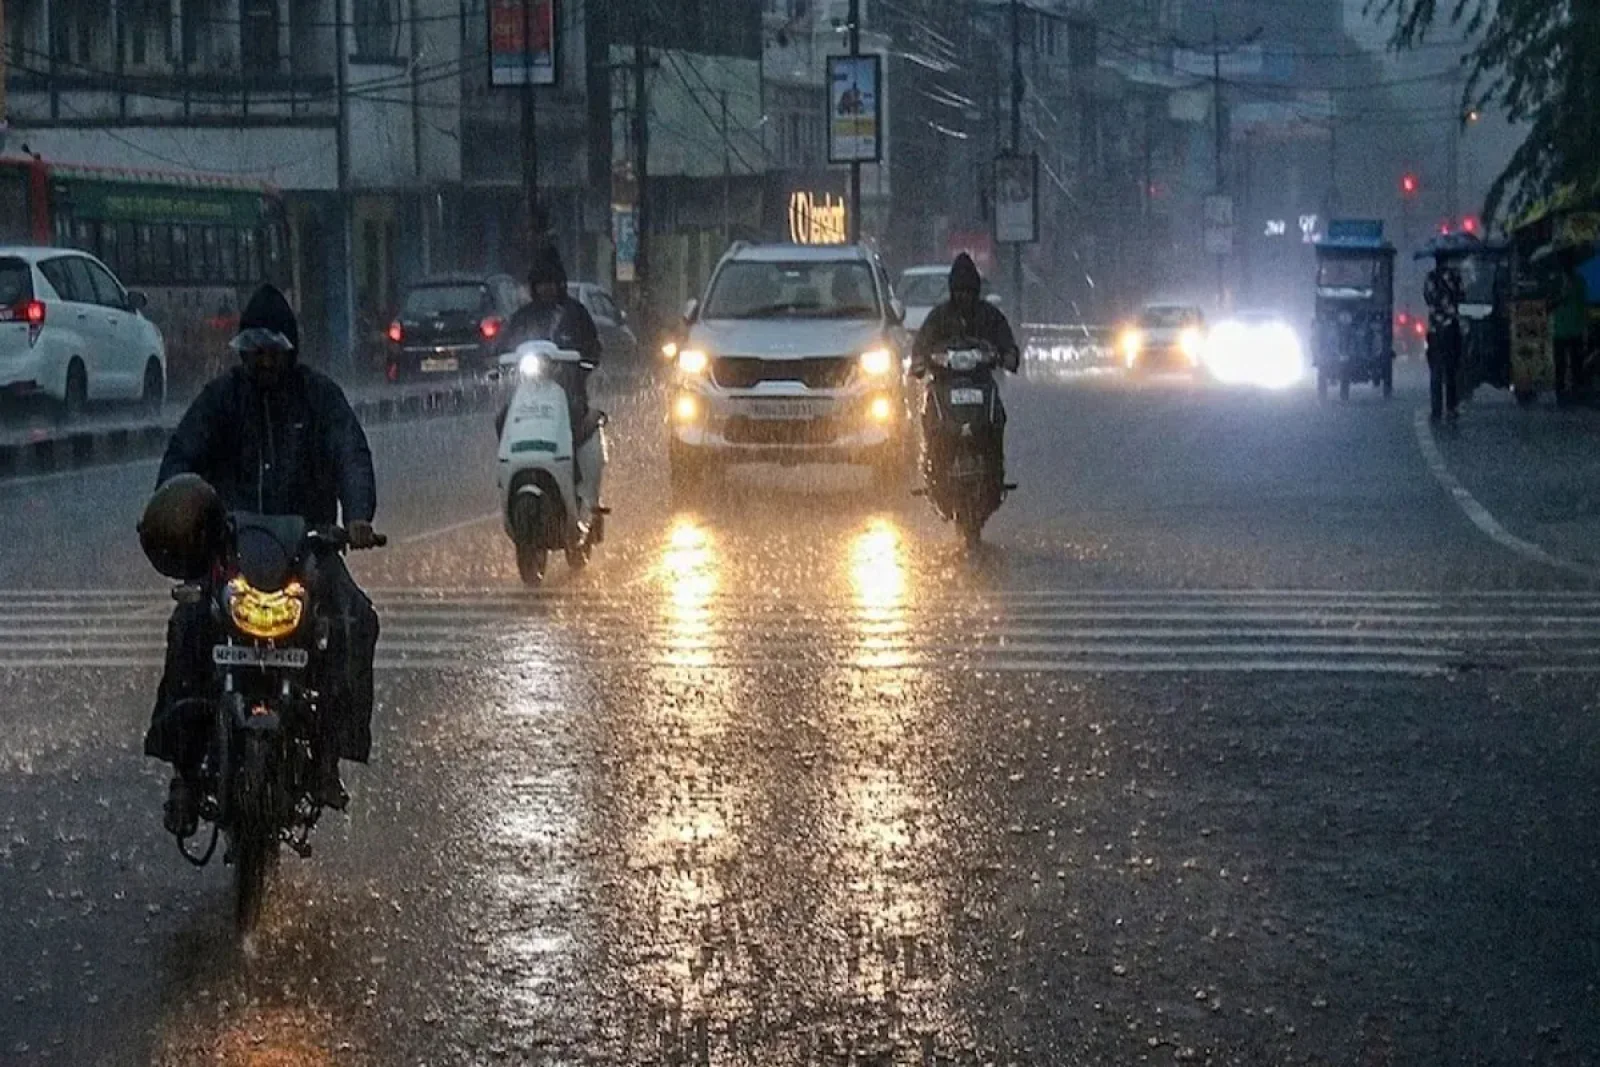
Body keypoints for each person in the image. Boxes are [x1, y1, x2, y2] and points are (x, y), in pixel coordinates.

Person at [144, 285, 381, 838]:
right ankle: (183, 772)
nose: (264, 361)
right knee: (189, 625)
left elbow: (351, 454)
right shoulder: (221, 399)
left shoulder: (320, 399)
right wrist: (171, 503)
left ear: (290, 350)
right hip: (230, 552)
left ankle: (329, 755)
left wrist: (358, 516)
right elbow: (182, 456)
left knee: (355, 621)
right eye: (254, 351)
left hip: (308, 550)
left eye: (273, 350)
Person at [911, 253, 1021, 490]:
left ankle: (994, 467)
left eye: (969, 292)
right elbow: (922, 343)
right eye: (959, 291)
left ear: (976, 291)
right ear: (952, 291)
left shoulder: (989, 316)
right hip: (944, 381)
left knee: (996, 417)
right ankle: (934, 462)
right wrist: (919, 361)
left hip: (981, 380)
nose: (964, 297)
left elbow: (1005, 341)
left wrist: (1008, 355)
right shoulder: (939, 317)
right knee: (931, 415)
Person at [497, 244, 602, 439]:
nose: (546, 288)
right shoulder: (523, 316)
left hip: (568, 391)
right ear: (534, 287)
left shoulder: (575, 313)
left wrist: (584, 362)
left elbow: (592, 345)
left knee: (574, 418)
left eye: (550, 283)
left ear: (559, 284)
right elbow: (506, 345)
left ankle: (572, 457)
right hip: (528, 393)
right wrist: (499, 360)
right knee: (503, 420)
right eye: (541, 284)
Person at [1424, 261, 1465, 423]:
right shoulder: (1455, 277)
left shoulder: (1430, 277)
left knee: (1436, 372)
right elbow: (1462, 296)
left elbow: (1427, 298)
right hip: (1451, 329)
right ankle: (1451, 408)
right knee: (1451, 371)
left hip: (1434, 330)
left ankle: (1436, 410)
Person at [1552, 263, 1589, 405]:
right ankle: (1566, 392)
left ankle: (1569, 392)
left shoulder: (1569, 282)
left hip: (1569, 329)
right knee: (1566, 365)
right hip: (1566, 329)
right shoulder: (1560, 282)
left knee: (1573, 364)